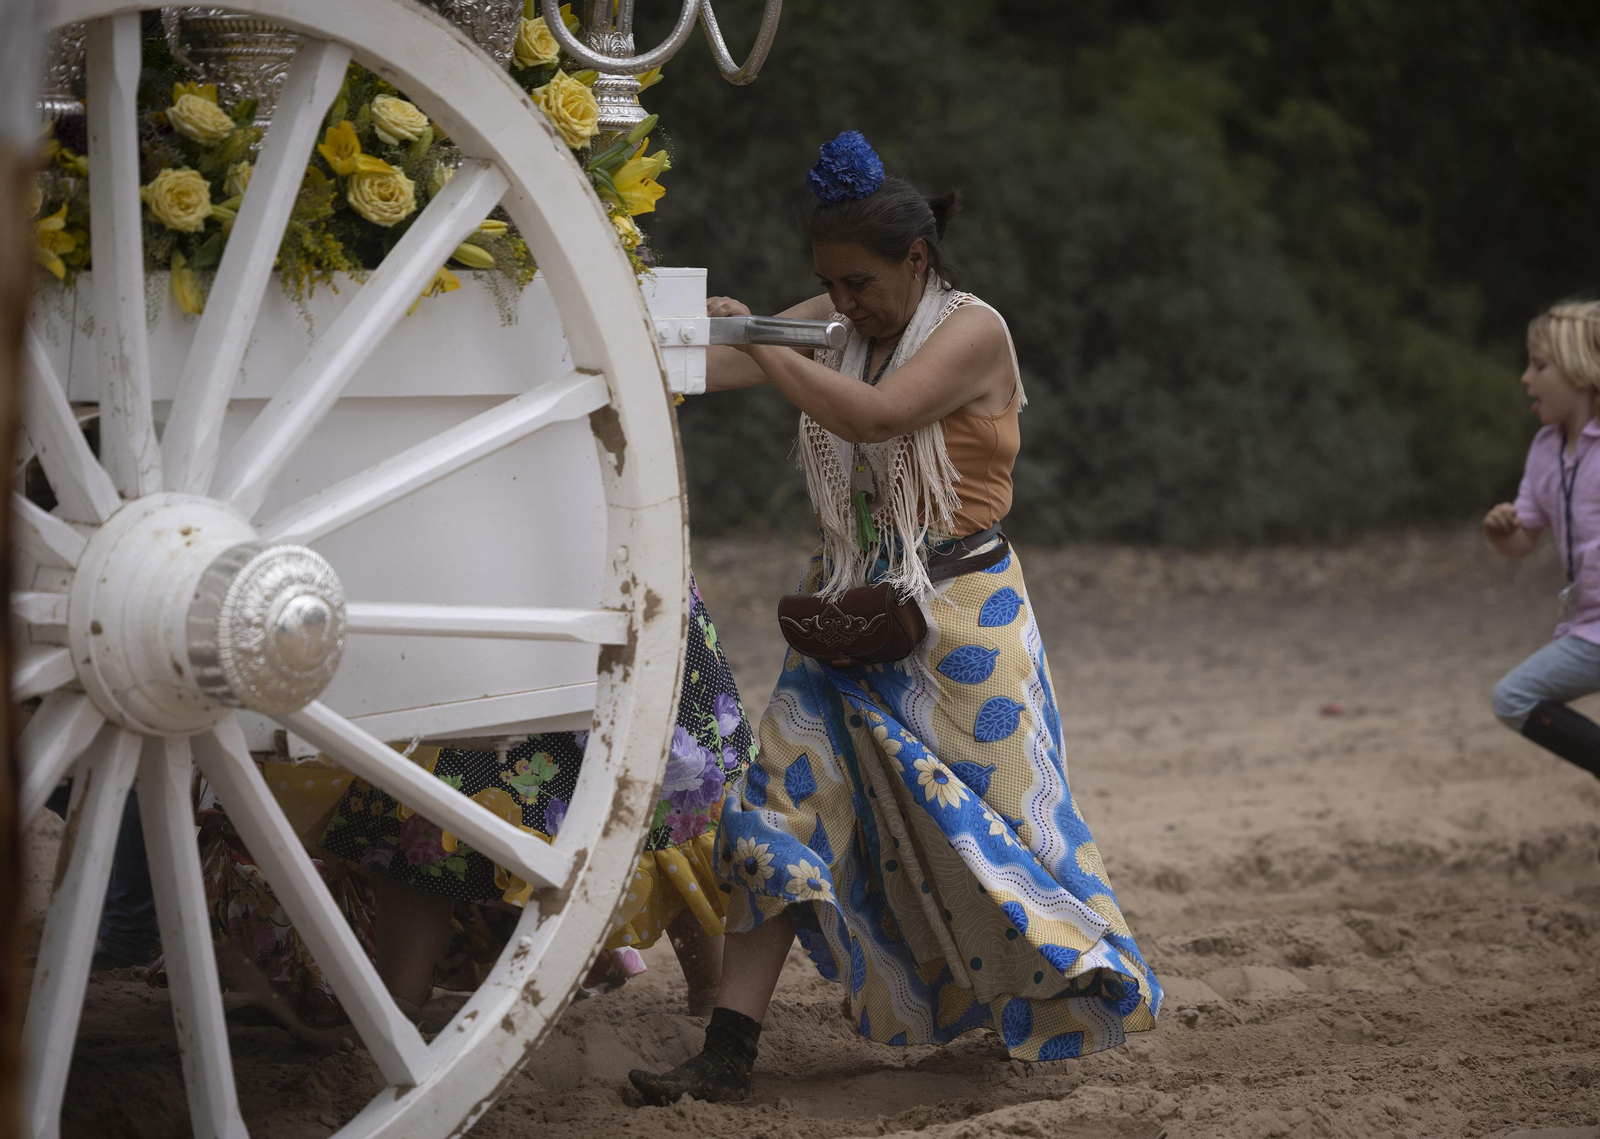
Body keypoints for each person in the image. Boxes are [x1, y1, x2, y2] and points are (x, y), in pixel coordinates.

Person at [629, 131, 1161, 1106]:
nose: (842, 304)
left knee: (1000, 836)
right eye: (828, 285)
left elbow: (872, 417)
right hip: (848, 605)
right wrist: (682, 332)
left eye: (859, 283)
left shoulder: (974, 332)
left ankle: (1069, 991)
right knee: (769, 811)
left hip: (961, 615)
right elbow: (719, 370)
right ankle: (729, 1052)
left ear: (918, 259)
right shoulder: (841, 317)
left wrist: (760, 340)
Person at [319, 575, 756, 1018]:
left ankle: (398, 999)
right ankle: (714, 996)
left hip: (467, 599)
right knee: (669, 793)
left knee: (431, 789)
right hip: (618, 583)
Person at [1485, 299, 1600, 780]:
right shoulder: (1544, 450)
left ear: (1578, 372)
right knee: (1513, 697)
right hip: (1588, 629)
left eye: (1539, 365)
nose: (1525, 378)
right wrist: (1501, 532)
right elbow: (1524, 540)